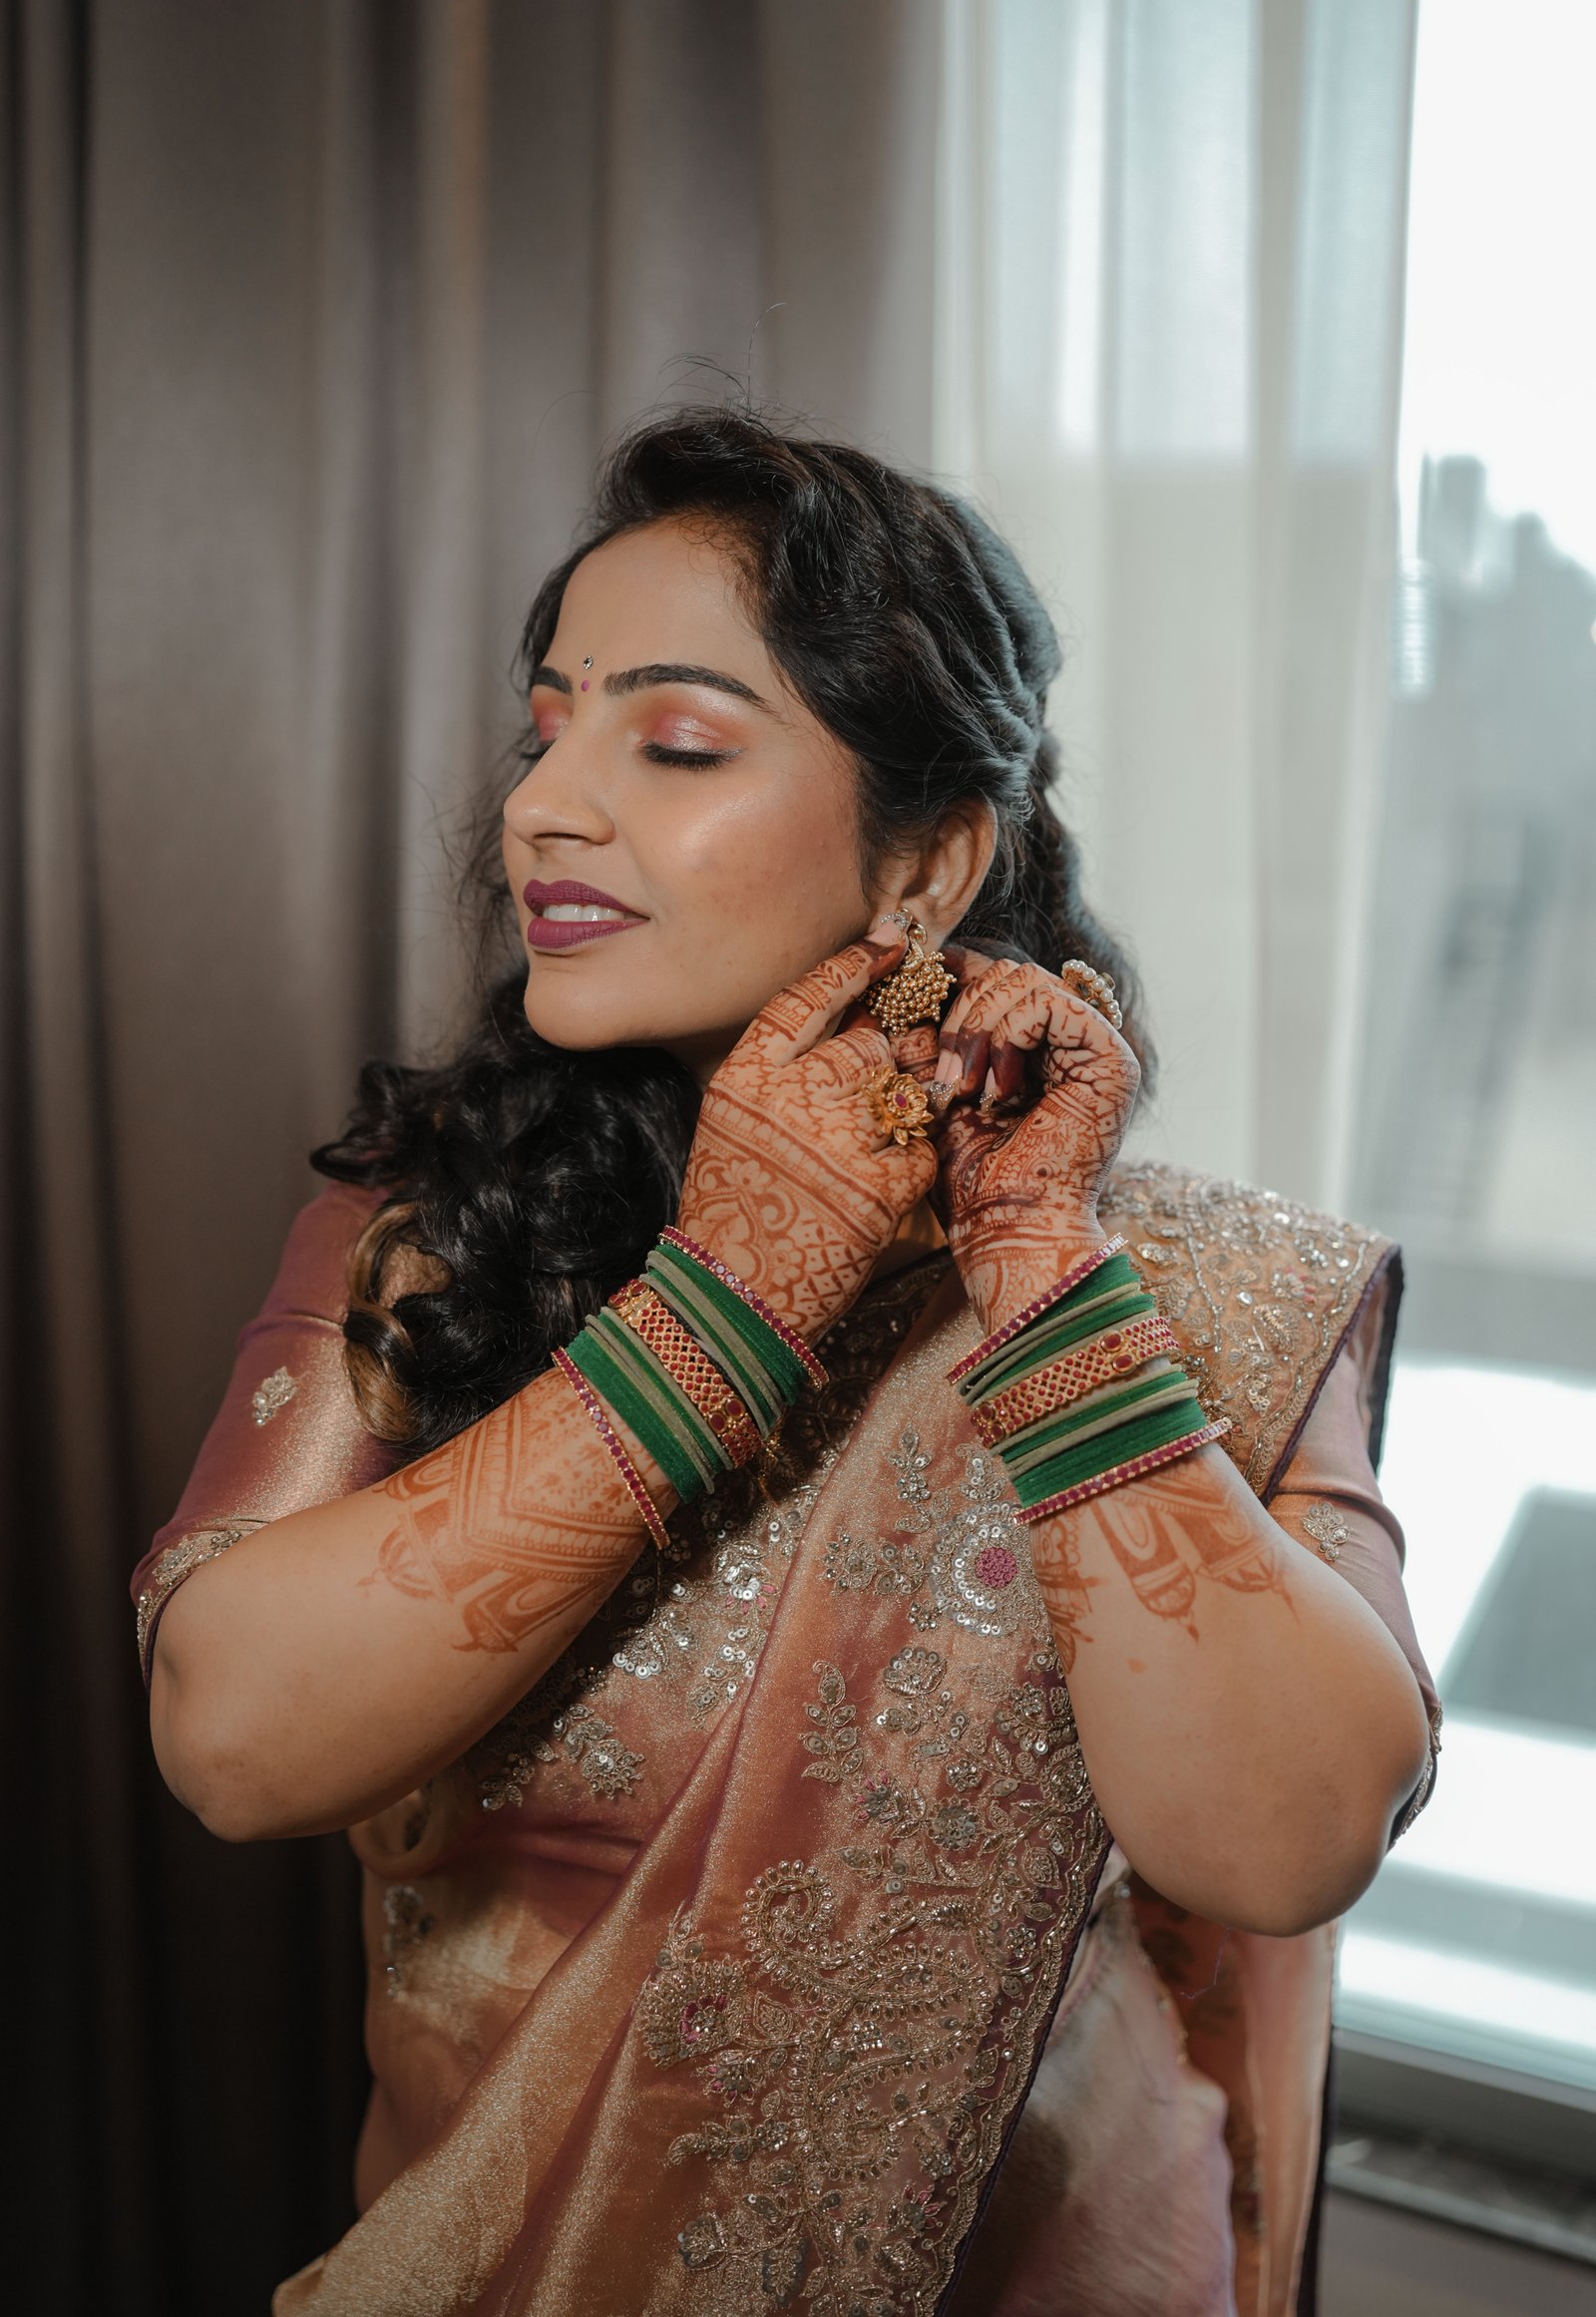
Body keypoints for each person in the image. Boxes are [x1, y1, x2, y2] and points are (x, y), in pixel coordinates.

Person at [132, 408, 1440, 2317]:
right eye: (545, 731)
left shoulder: (1200, 1296)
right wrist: (730, 1299)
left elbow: (1284, 1836)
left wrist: (1034, 1268)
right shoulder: (440, 1241)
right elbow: (232, 1741)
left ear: (929, 863)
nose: (543, 807)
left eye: (673, 744)